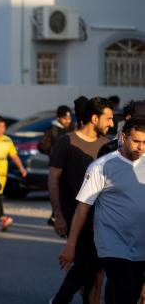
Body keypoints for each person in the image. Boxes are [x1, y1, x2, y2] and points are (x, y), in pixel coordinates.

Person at [59, 117, 145, 304]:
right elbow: (83, 207)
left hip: (140, 245)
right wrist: (71, 245)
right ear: (123, 138)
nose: (141, 147)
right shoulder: (101, 166)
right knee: (126, 294)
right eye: (136, 141)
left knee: (126, 294)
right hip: (112, 244)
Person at [49, 97, 114, 304]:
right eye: (108, 118)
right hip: (76, 218)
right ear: (94, 118)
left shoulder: (108, 146)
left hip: (101, 222)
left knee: (94, 273)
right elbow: (53, 180)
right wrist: (58, 215)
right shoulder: (66, 142)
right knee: (88, 268)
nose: (111, 124)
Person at [0, 117, 26, 231]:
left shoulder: (8, 140)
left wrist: (21, 168)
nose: (2, 129)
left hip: (3, 171)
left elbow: (14, 155)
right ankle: (3, 218)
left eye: (3, 126)